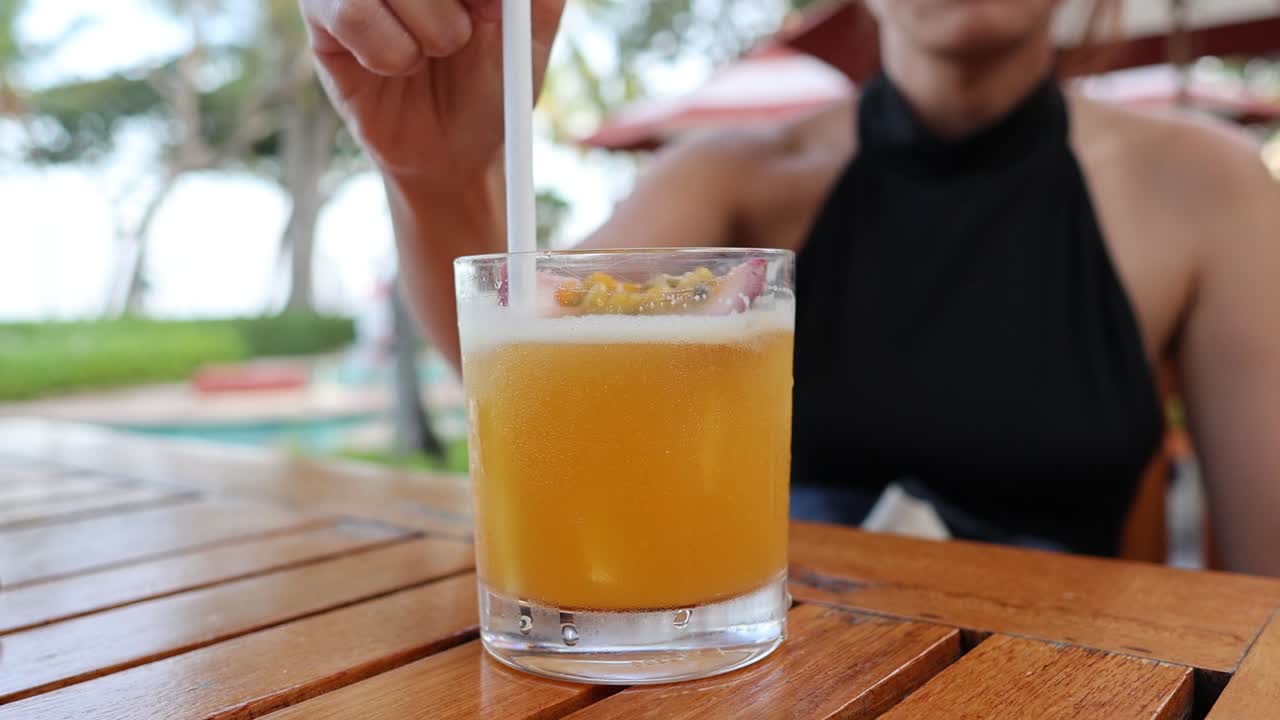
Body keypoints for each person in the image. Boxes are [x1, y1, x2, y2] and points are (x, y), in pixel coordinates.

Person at [298, 0, 1280, 573]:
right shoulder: (731, 176)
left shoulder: (1208, 189)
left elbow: (1260, 602)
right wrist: (437, 178)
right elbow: (529, 373)